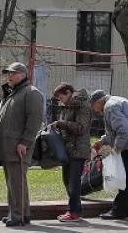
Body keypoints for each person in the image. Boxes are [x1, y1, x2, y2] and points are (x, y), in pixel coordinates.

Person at [0, 62, 44, 227]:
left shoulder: (31, 93)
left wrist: (25, 142)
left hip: (18, 147)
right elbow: (2, 115)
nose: (9, 75)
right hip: (7, 146)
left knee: (17, 182)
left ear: (23, 75)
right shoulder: (12, 93)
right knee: (12, 182)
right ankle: (17, 213)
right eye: (8, 73)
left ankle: (19, 215)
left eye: (12, 73)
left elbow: (35, 120)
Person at [92, 89, 128, 221]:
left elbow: (124, 129)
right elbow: (114, 130)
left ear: (98, 102)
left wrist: (117, 148)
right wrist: (102, 141)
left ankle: (118, 210)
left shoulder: (109, 107)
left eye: (93, 106)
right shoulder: (116, 101)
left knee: (125, 179)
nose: (94, 110)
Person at [51, 84, 91, 223]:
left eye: (62, 97)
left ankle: (74, 212)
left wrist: (61, 124)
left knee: (73, 182)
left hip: (78, 149)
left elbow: (81, 128)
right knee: (67, 181)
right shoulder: (66, 106)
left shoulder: (82, 105)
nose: (61, 101)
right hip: (68, 149)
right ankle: (74, 210)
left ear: (69, 92)